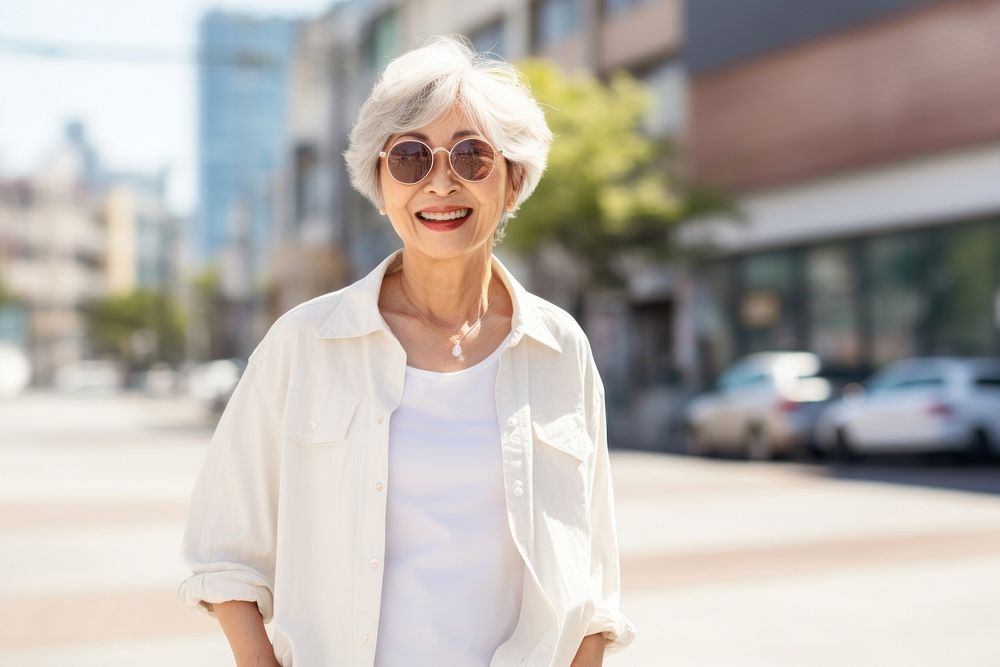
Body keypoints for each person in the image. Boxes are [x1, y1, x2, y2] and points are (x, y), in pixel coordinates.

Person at [178, 35, 636, 667]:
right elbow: (225, 552)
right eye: (411, 158)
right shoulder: (305, 344)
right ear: (381, 181)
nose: (440, 183)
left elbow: (593, 579)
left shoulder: (559, 349)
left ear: (513, 180)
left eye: (472, 157)